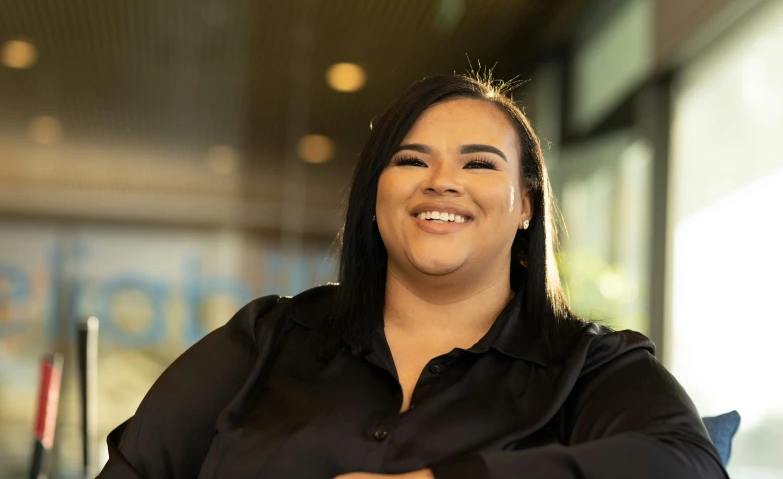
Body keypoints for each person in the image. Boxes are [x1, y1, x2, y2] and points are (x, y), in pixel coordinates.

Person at [98, 75, 728, 479]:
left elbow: (686, 463)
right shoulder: (267, 337)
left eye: (478, 163)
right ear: (377, 194)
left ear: (527, 204)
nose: (441, 181)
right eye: (410, 160)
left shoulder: (589, 366)